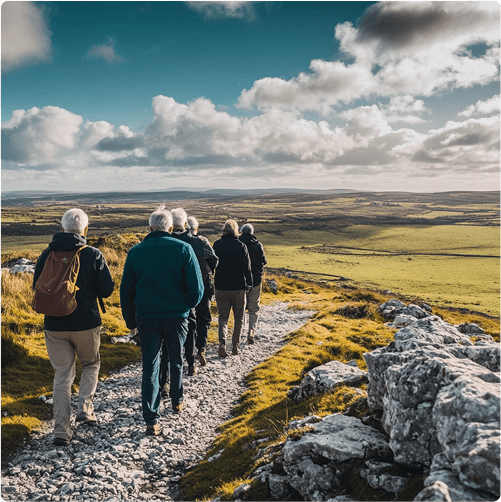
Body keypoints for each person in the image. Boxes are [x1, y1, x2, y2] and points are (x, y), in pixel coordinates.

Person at [33, 208, 114, 446]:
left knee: (62, 375)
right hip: (86, 322)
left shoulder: (47, 254)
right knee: (91, 364)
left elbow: (37, 285)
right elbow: (107, 290)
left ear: (63, 228)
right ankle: (85, 409)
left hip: (54, 324)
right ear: (85, 229)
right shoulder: (93, 254)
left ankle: (60, 431)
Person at [120, 205, 204, 435]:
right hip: (177, 316)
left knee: (150, 365)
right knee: (176, 359)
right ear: (170, 227)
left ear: (149, 227)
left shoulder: (136, 252)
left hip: (146, 316)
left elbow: (125, 290)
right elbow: (197, 290)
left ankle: (151, 418)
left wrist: (131, 323)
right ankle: (177, 401)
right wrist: (186, 306)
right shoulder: (184, 248)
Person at [212, 219, 252, 357]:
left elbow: (212, 264)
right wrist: (250, 283)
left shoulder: (217, 244)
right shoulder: (241, 246)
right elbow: (247, 268)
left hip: (221, 286)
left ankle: (222, 344)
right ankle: (235, 346)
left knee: (223, 317)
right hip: (238, 287)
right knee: (239, 317)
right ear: (236, 230)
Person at [187, 215, 218, 366]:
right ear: (196, 229)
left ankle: (189, 352)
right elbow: (214, 259)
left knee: (187, 319)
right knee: (204, 317)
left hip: (184, 286)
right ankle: (201, 349)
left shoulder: (179, 241)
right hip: (204, 283)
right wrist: (207, 272)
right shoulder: (202, 241)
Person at [239, 223, 267, 344]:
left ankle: (238, 333)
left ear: (241, 232)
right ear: (252, 232)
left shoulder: (238, 244)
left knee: (240, 309)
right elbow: (264, 261)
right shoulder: (258, 245)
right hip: (256, 280)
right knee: (254, 308)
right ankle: (251, 332)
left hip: (240, 281)